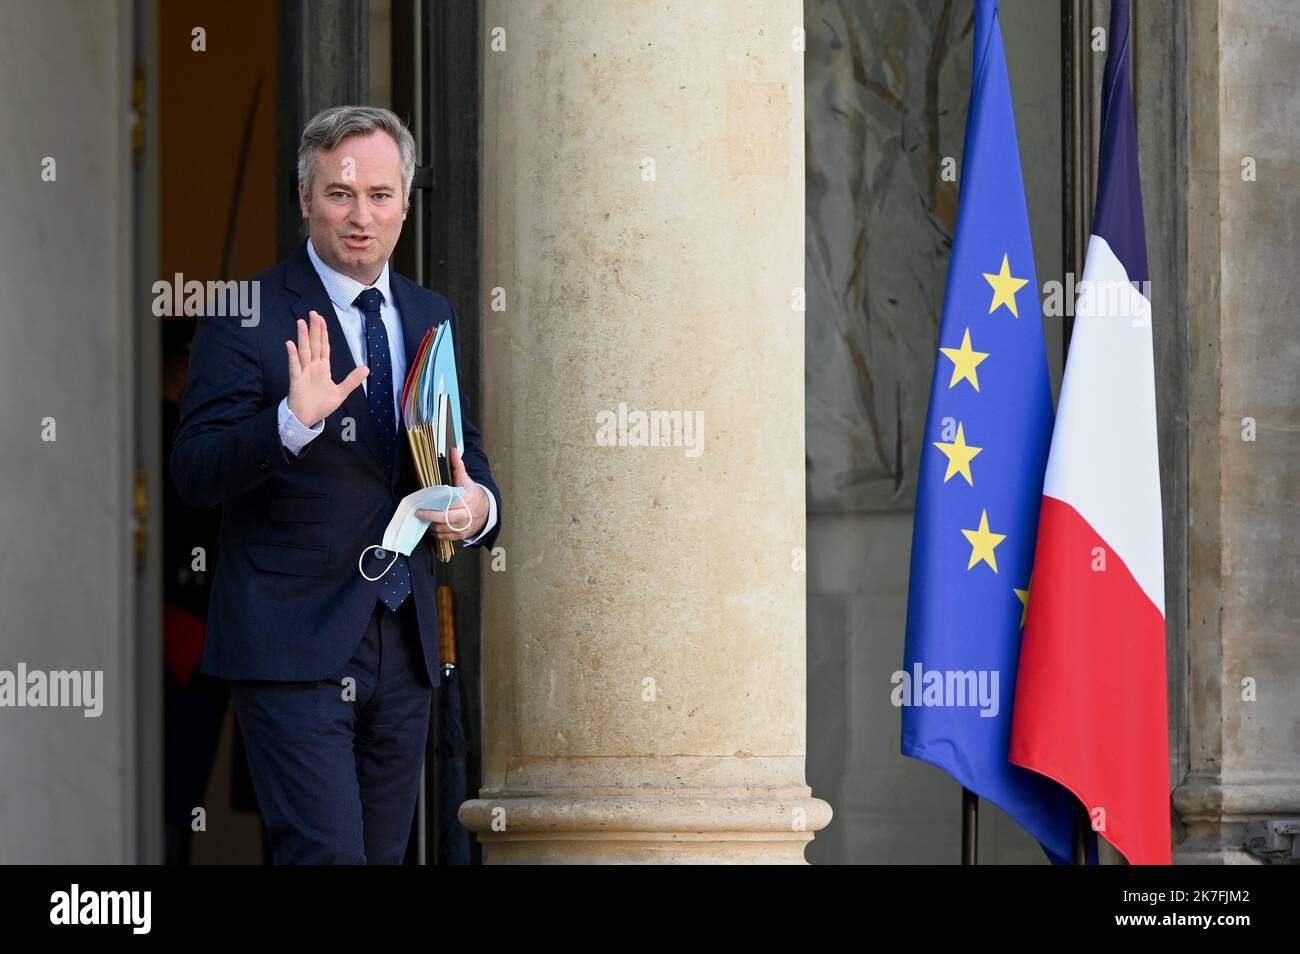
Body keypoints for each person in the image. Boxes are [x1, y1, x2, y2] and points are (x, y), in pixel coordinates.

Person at [170, 105, 502, 864]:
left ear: (406, 204)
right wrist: (289, 420)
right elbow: (194, 470)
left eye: (380, 195)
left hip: (403, 639)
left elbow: (462, 453)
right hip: (291, 638)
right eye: (341, 194)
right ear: (305, 199)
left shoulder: (429, 314)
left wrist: (477, 507)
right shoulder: (245, 314)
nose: (362, 217)